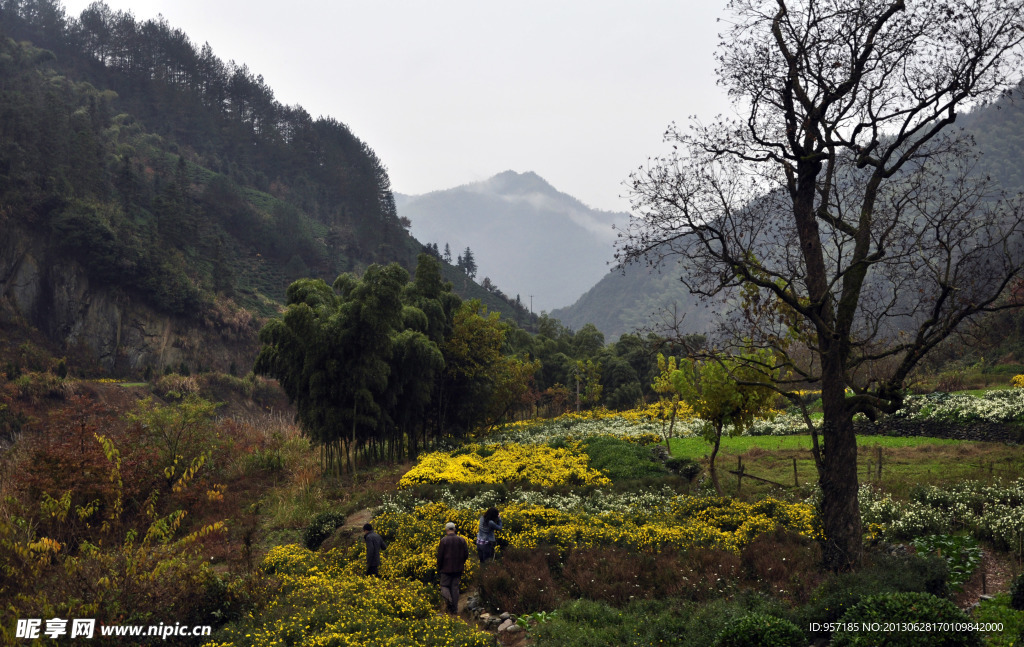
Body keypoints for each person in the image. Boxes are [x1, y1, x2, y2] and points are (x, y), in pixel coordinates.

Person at [436, 521, 468, 614]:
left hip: (446, 568)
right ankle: (455, 609)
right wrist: (461, 563)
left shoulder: (443, 540)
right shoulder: (462, 540)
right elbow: (466, 554)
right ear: (454, 529)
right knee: (455, 587)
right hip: (458, 568)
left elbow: (440, 556)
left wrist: (439, 567)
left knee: (444, 586)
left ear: (446, 530)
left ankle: (449, 602)